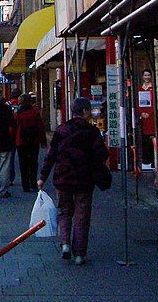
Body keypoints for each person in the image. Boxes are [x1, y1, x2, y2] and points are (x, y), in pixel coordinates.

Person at [37, 97, 110, 266]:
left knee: (64, 211)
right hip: (84, 179)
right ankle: (79, 254)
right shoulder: (92, 132)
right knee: (82, 215)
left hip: (63, 178)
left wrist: (42, 177)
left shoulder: (62, 130)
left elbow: (51, 156)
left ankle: (65, 245)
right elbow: (102, 154)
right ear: (85, 111)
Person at [14, 93, 47, 192]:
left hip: (21, 140)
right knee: (33, 162)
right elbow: (40, 127)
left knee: (23, 163)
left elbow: (13, 127)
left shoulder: (17, 113)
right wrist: (43, 140)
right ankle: (33, 182)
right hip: (34, 140)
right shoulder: (35, 112)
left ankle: (25, 184)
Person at [136, 68, 156, 169]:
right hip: (144, 117)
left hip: (152, 116)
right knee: (145, 140)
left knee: (153, 138)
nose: (147, 77)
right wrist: (142, 112)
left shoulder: (154, 87)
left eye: (148, 75)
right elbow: (139, 103)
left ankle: (154, 160)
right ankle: (146, 161)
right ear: (142, 77)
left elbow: (154, 102)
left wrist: (149, 113)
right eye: (145, 75)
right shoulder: (140, 88)